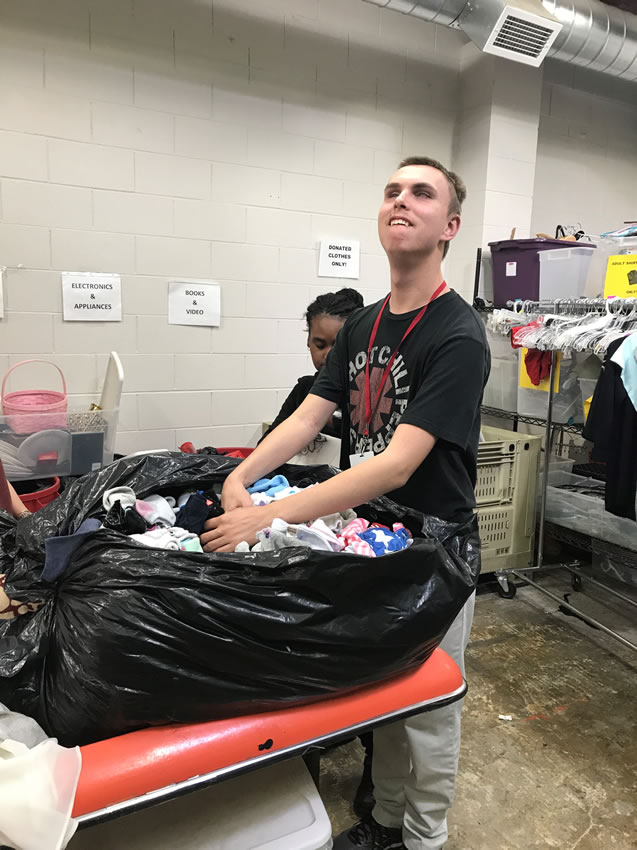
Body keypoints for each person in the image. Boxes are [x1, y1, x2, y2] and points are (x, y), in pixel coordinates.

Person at [201, 155, 490, 850]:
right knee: (385, 696)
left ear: (448, 224)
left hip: (435, 551)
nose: (402, 199)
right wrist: (243, 473)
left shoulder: (456, 333)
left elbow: (396, 462)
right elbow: (307, 416)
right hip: (371, 538)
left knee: (428, 708)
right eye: (391, 190)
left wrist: (268, 514)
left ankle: (423, 839)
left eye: (421, 192)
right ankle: (383, 823)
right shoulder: (361, 326)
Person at [260, 287, 363, 441]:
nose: (328, 355)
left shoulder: (369, 398)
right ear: (309, 341)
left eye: (338, 346)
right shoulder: (304, 391)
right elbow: (267, 443)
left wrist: (332, 421)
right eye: (320, 345)